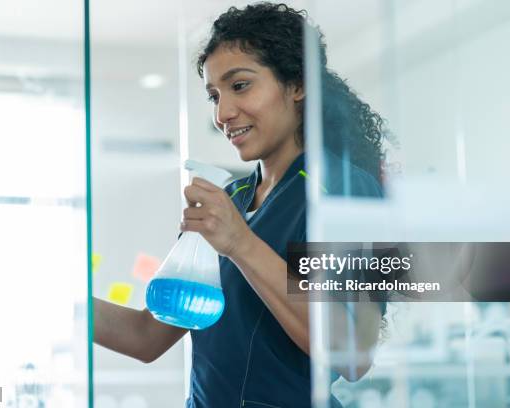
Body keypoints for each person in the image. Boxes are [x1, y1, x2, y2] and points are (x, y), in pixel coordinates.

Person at [94, 3, 386, 407]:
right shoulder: (231, 200)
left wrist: (240, 243)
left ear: (297, 85)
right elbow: (147, 336)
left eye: (240, 86)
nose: (223, 113)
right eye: (214, 95)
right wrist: (62, 302)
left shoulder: (345, 190)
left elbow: (354, 354)